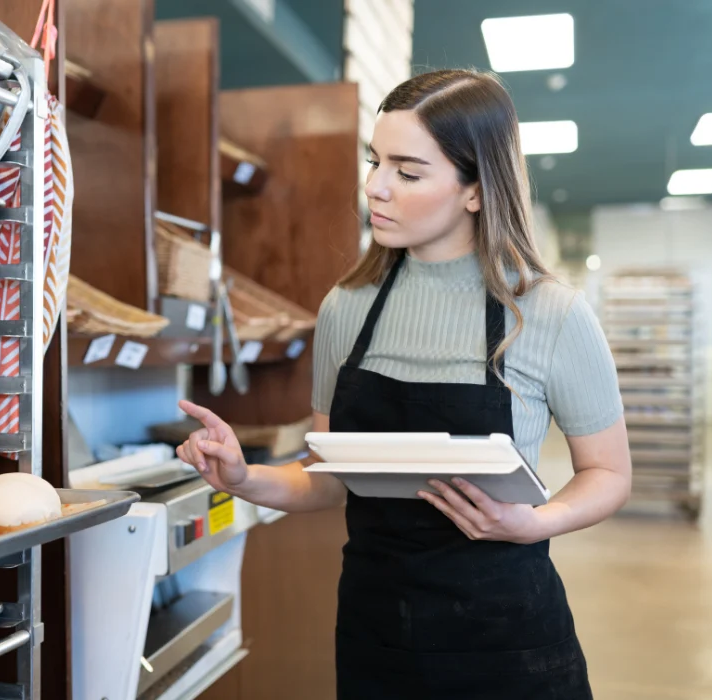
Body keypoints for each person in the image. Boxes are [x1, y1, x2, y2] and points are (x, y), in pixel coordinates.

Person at [175, 69, 631, 699]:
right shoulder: (347, 308)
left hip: (507, 641)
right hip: (377, 631)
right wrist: (243, 477)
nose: (374, 189)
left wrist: (537, 522)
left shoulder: (550, 313)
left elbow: (608, 474)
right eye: (375, 162)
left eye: (407, 173)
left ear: (475, 189)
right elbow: (327, 478)